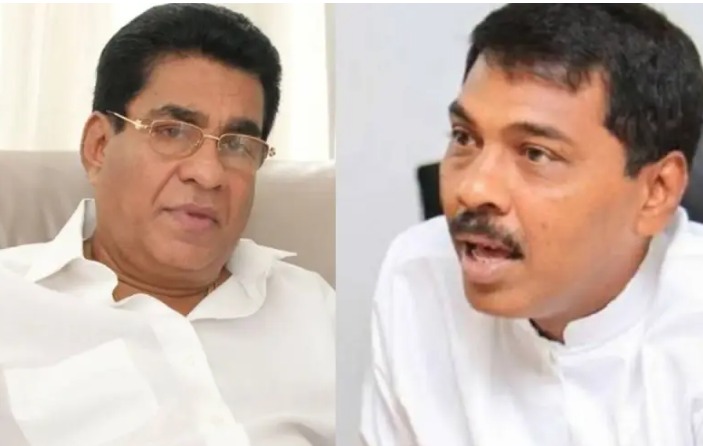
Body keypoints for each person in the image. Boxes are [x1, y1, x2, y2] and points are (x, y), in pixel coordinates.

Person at [361, 4, 703, 445]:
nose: (473, 189)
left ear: (657, 191)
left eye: (535, 153)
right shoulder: (417, 276)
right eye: (464, 138)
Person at [0, 4, 334, 446]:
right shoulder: (12, 305)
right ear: (99, 146)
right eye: (173, 131)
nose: (209, 174)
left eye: (237, 144)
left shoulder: (318, 311)